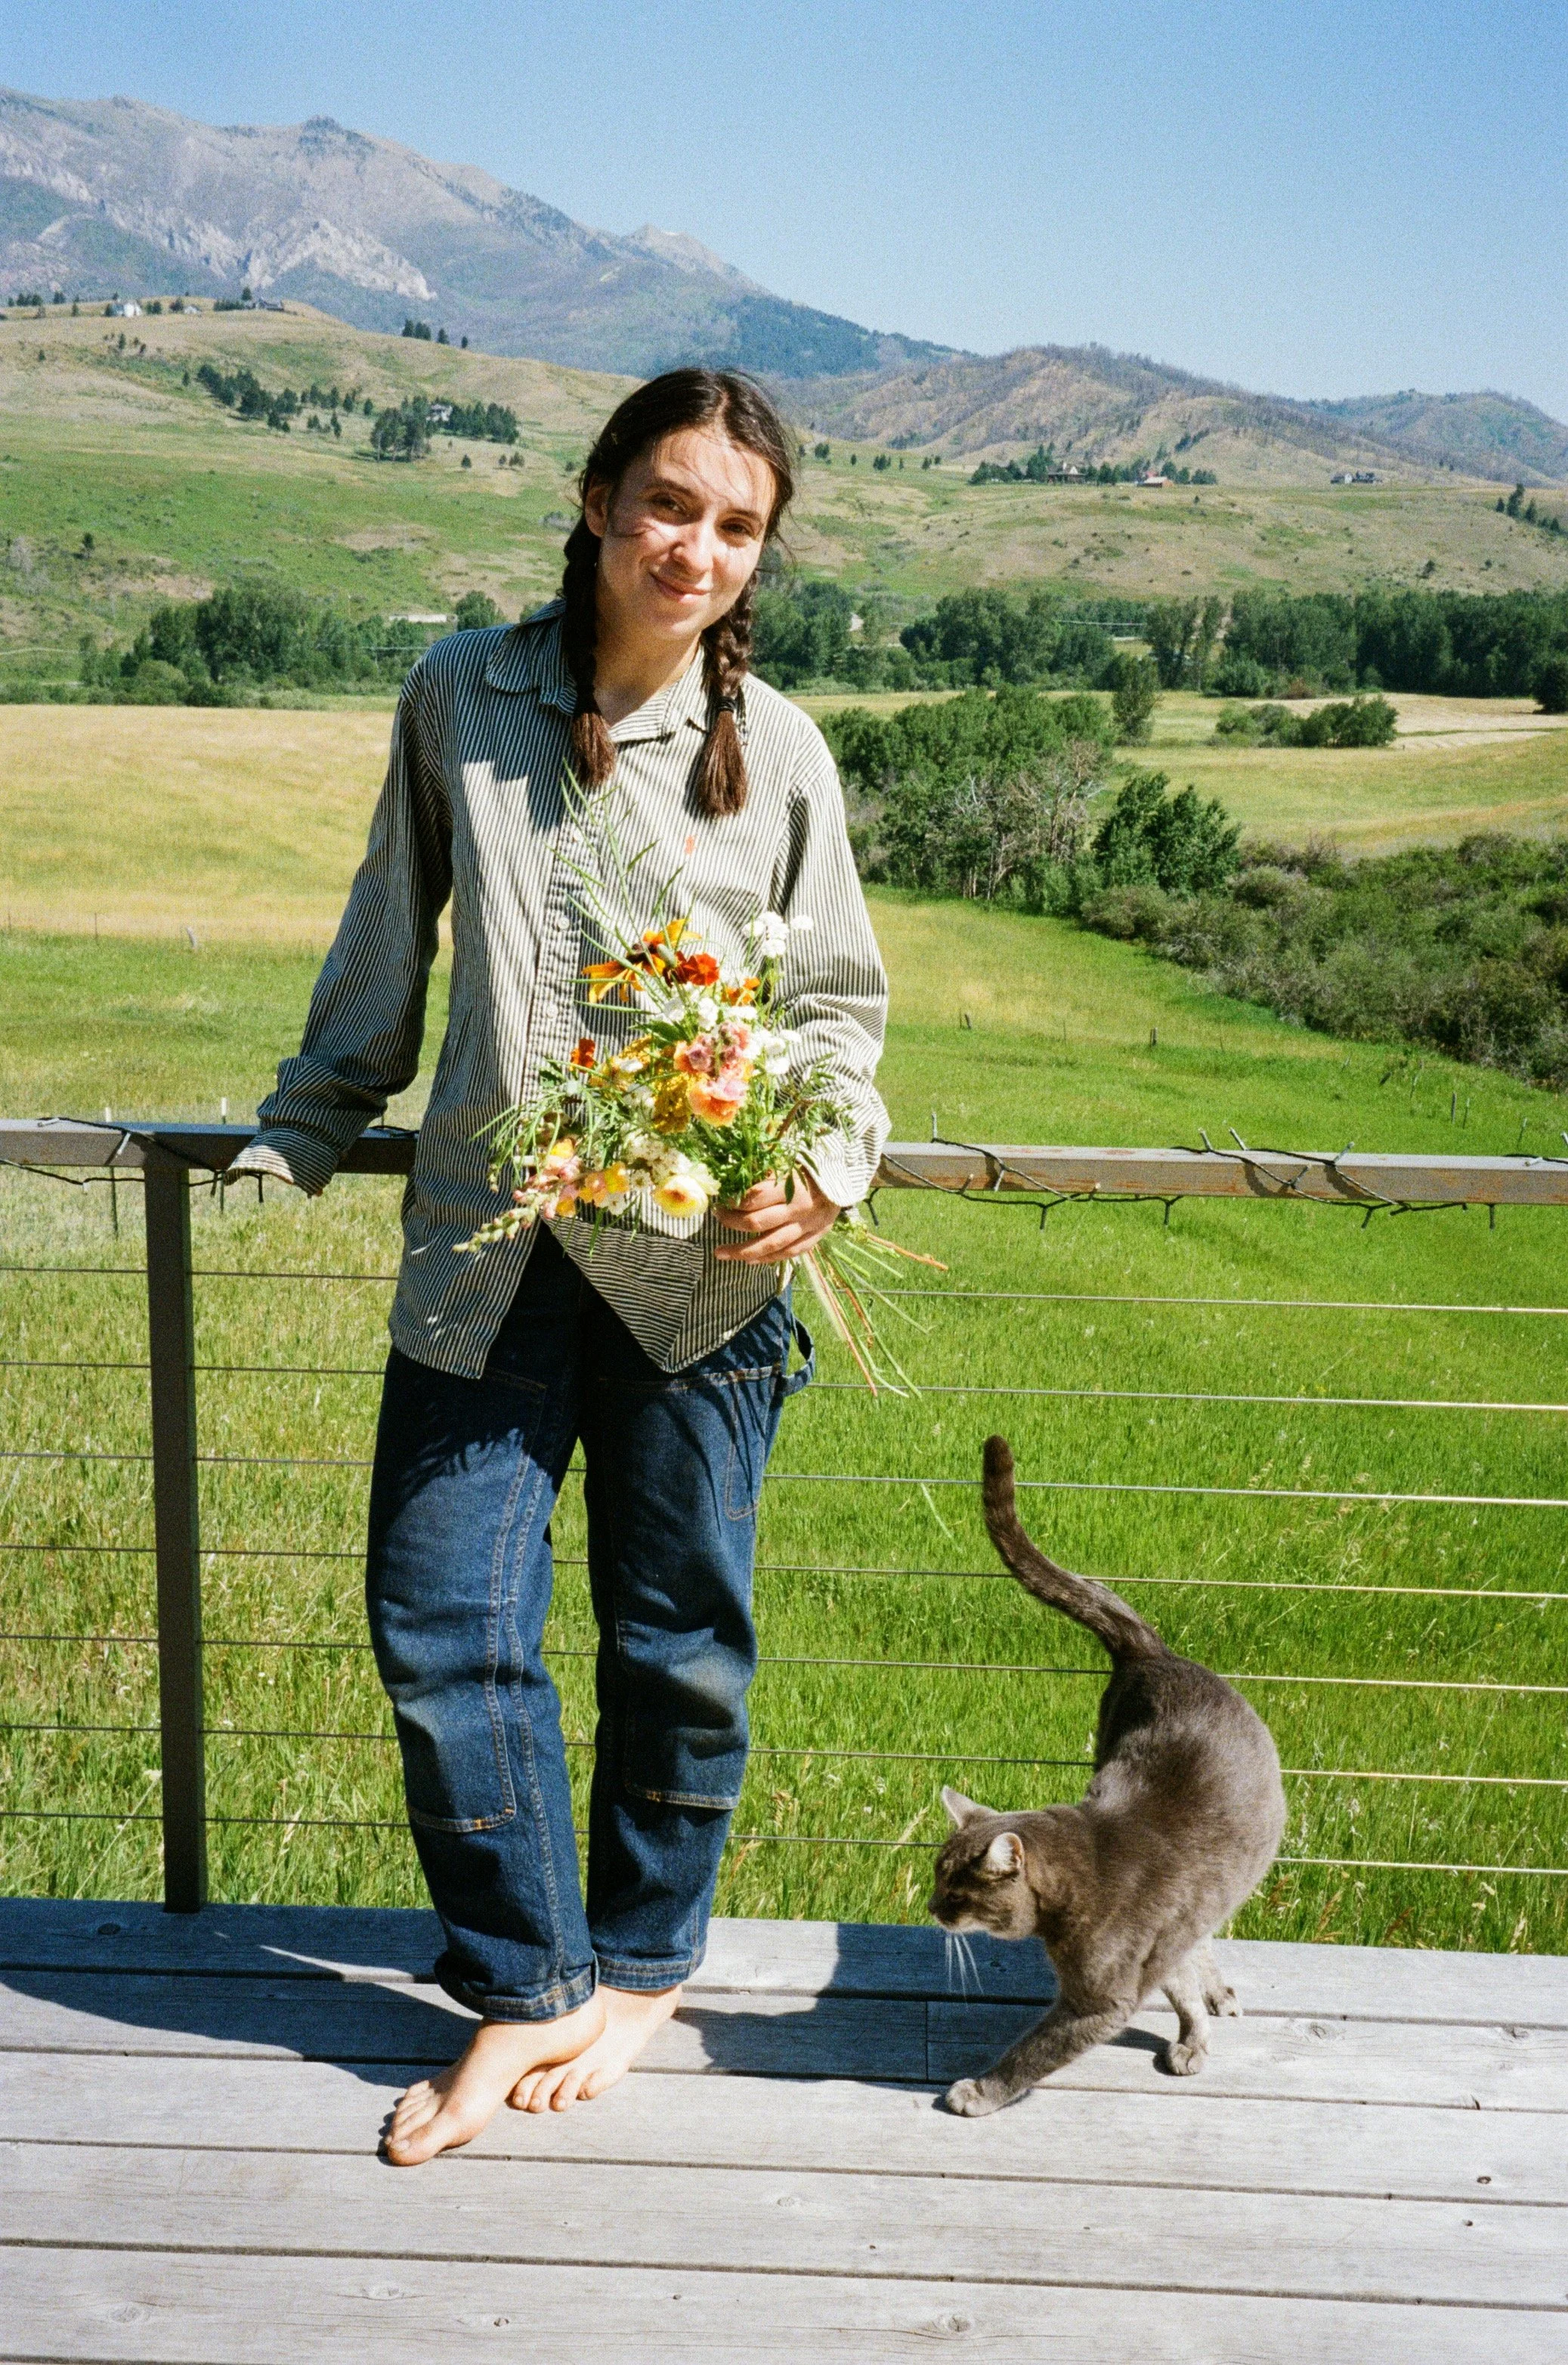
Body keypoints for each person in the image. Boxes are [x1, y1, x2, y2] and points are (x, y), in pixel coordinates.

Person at [230, 369, 889, 2165]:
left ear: (759, 554)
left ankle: (649, 1967)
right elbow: (393, 925)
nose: (696, 546)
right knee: (444, 1621)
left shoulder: (791, 758)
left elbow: (833, 1017)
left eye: (735, 525)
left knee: (677, 1642)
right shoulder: (462, 694)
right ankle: (526, 1984)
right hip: (487, 1252)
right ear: (595, 499)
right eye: (668, 503)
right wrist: (308, 1116)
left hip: (703, 1279)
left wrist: (819, 1171)